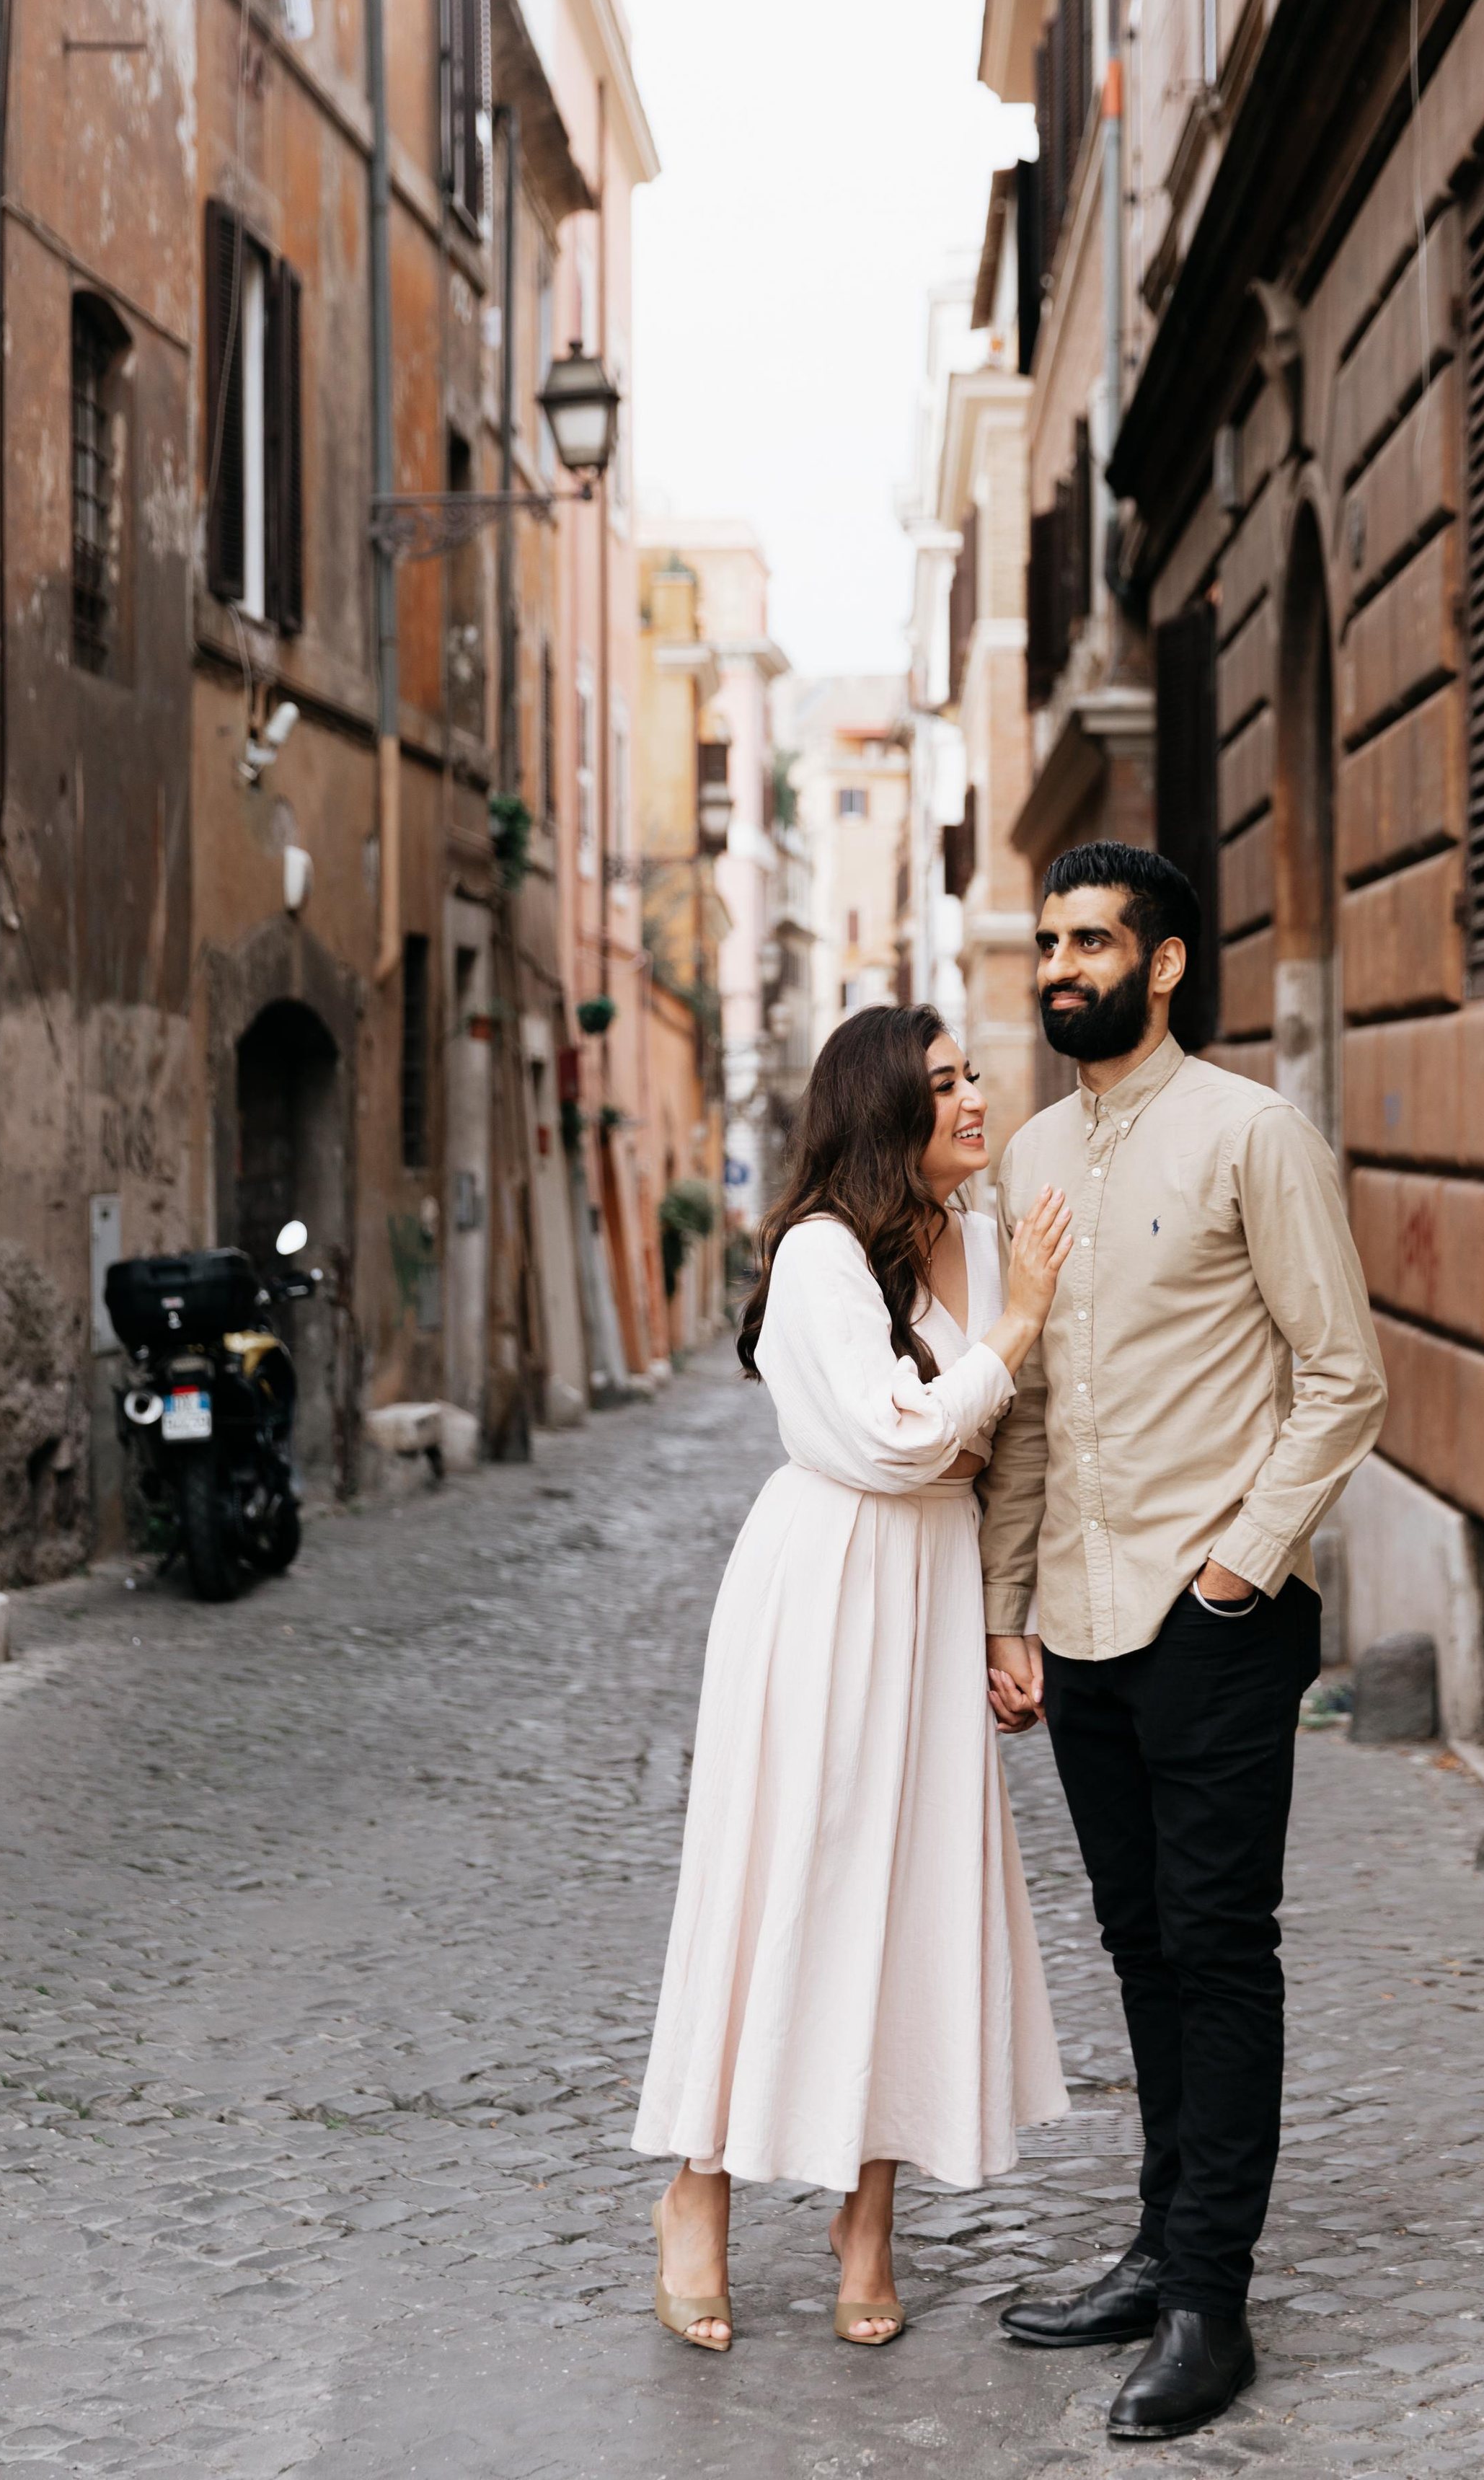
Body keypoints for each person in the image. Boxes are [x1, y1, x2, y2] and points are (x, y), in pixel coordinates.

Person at [979, 842, 1387, 2443]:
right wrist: (1008, 1607)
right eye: (1045, 942)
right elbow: (1024, 1420)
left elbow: (1338, 1374)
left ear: (1161, 964)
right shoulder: (1027, 1158)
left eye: (1089, 941)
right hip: (1075, 1629)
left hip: (1208, 1625)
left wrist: (1240, 1564)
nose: (1058, 965)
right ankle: (1156, 2249)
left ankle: (1210, 2302)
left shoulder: (1252, 1135)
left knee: (1220, 1951)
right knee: (1139, 1950)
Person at [633, 1002, 1073, 2353]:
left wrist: (1008, 1622)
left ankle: (866, 2219)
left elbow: (1001, 1454)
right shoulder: (821, 1253)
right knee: (785, 1875)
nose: (977, 1099)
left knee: (906, 1891)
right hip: (823, 1592)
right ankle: (695, 2195)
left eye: (972, 1075)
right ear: (886, 1112)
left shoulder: (988, 1244)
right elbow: (896, 1442)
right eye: (943, 1085)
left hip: (933, 1593)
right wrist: (1013, 1339)